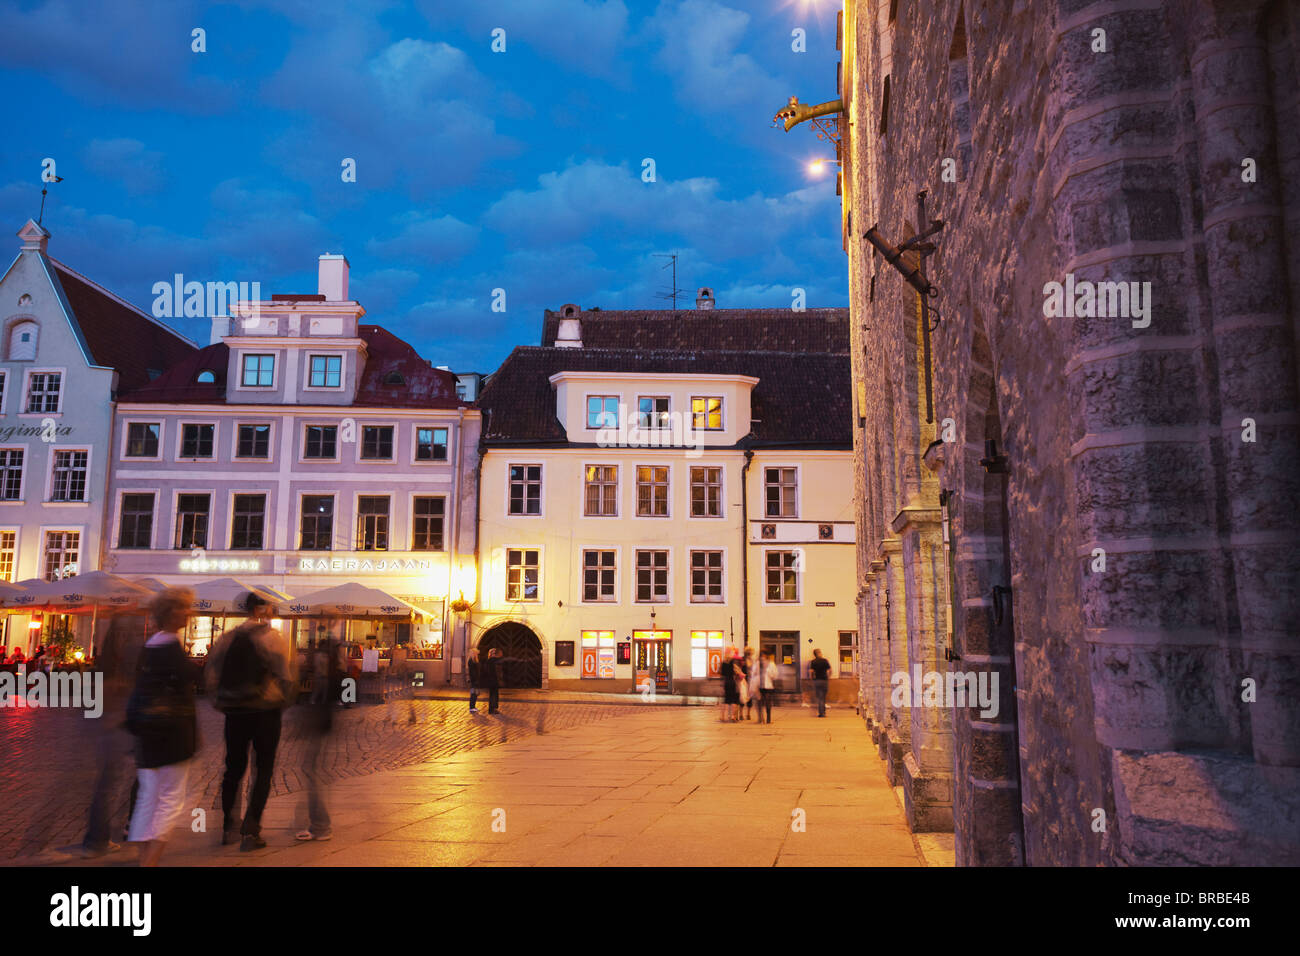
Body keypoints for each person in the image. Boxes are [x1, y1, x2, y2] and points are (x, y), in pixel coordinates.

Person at [208, 592, 295, 852]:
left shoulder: (228, 637)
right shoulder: (273, 638)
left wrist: (221, 701)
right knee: (263, 769)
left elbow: (211, 671)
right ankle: (251, 830)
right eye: (269, 606)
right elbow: (286, 675)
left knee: (233, 769)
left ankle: (228, 827)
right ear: (263, 609)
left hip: (235, 711)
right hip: (265, 710)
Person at [123, 588, 199, 867]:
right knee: (170, 800)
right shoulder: (170, 647)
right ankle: (149, 862)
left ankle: (145, 857)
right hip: (171, 733)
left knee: (148, 797)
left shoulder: (150, 644)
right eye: (183, 608)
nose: (188, 613)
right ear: (169, 613)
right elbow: (188, 676)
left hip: (147, 731)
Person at [297, 622, 344, 843]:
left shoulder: (327, 678)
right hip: (320, 722)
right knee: (312, 771)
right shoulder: (326, 676)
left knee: (312, 771)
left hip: (321, 723)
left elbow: (324, 699)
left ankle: (321, 825)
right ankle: (318, 823)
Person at [481, 647, 507, 715]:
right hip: (494, 680)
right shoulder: (494, 661)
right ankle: (492, 709)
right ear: (493, 654)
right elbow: (495, 671)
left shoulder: (488, 661)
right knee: (494, 695)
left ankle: (492, 709)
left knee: (493, 695)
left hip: (491, 680)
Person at [756, 651, 778, 724]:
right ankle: (761, 718)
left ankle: (768, 719)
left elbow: (775, 675)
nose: (762, 658)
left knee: (768, 703)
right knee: (759, 703)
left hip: (768, 686)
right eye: (761, 656)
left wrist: (768, 672)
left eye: (763, 656)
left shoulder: (771, 664)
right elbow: (753, 674)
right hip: (759, 686)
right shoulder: (757, 664)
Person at [809, 648, 832, 717]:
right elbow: (830, 670)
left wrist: (812, 679)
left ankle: (821, 713)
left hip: (817, 681)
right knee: (823, 697)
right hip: (824, 680)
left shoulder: (813, 662)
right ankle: (823, 712)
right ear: (819, 653)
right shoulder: (825, 661)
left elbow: (811, 671)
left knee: (819, 697)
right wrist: (828, 677)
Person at [719, 650, 739, 722]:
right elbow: (735, 672)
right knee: (733, 699)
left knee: (726, 701)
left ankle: (722, 716)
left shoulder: (723, 663)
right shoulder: (732, 662)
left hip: (726, 682)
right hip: (732, 682)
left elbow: (721, 674)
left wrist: (722, 685)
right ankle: (733, 716)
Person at [743, 647, 759, 720]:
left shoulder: (752, 660)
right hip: (745, 680)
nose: (753, 654)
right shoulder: (744, 660)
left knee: (749, 697)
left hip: (750, 680)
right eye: (752, 652)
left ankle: (747, 714)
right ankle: (742, 714)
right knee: (743, 696)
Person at [466, 647, 482, 712]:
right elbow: (472, 672)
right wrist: (475, 680)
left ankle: (473, 706)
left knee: (475, 694)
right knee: (473, 693)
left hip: (475, 679)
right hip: (474, 680)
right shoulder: (471, 661)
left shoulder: (474, 660)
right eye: (476, 653)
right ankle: (472, 707)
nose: (477, 655)